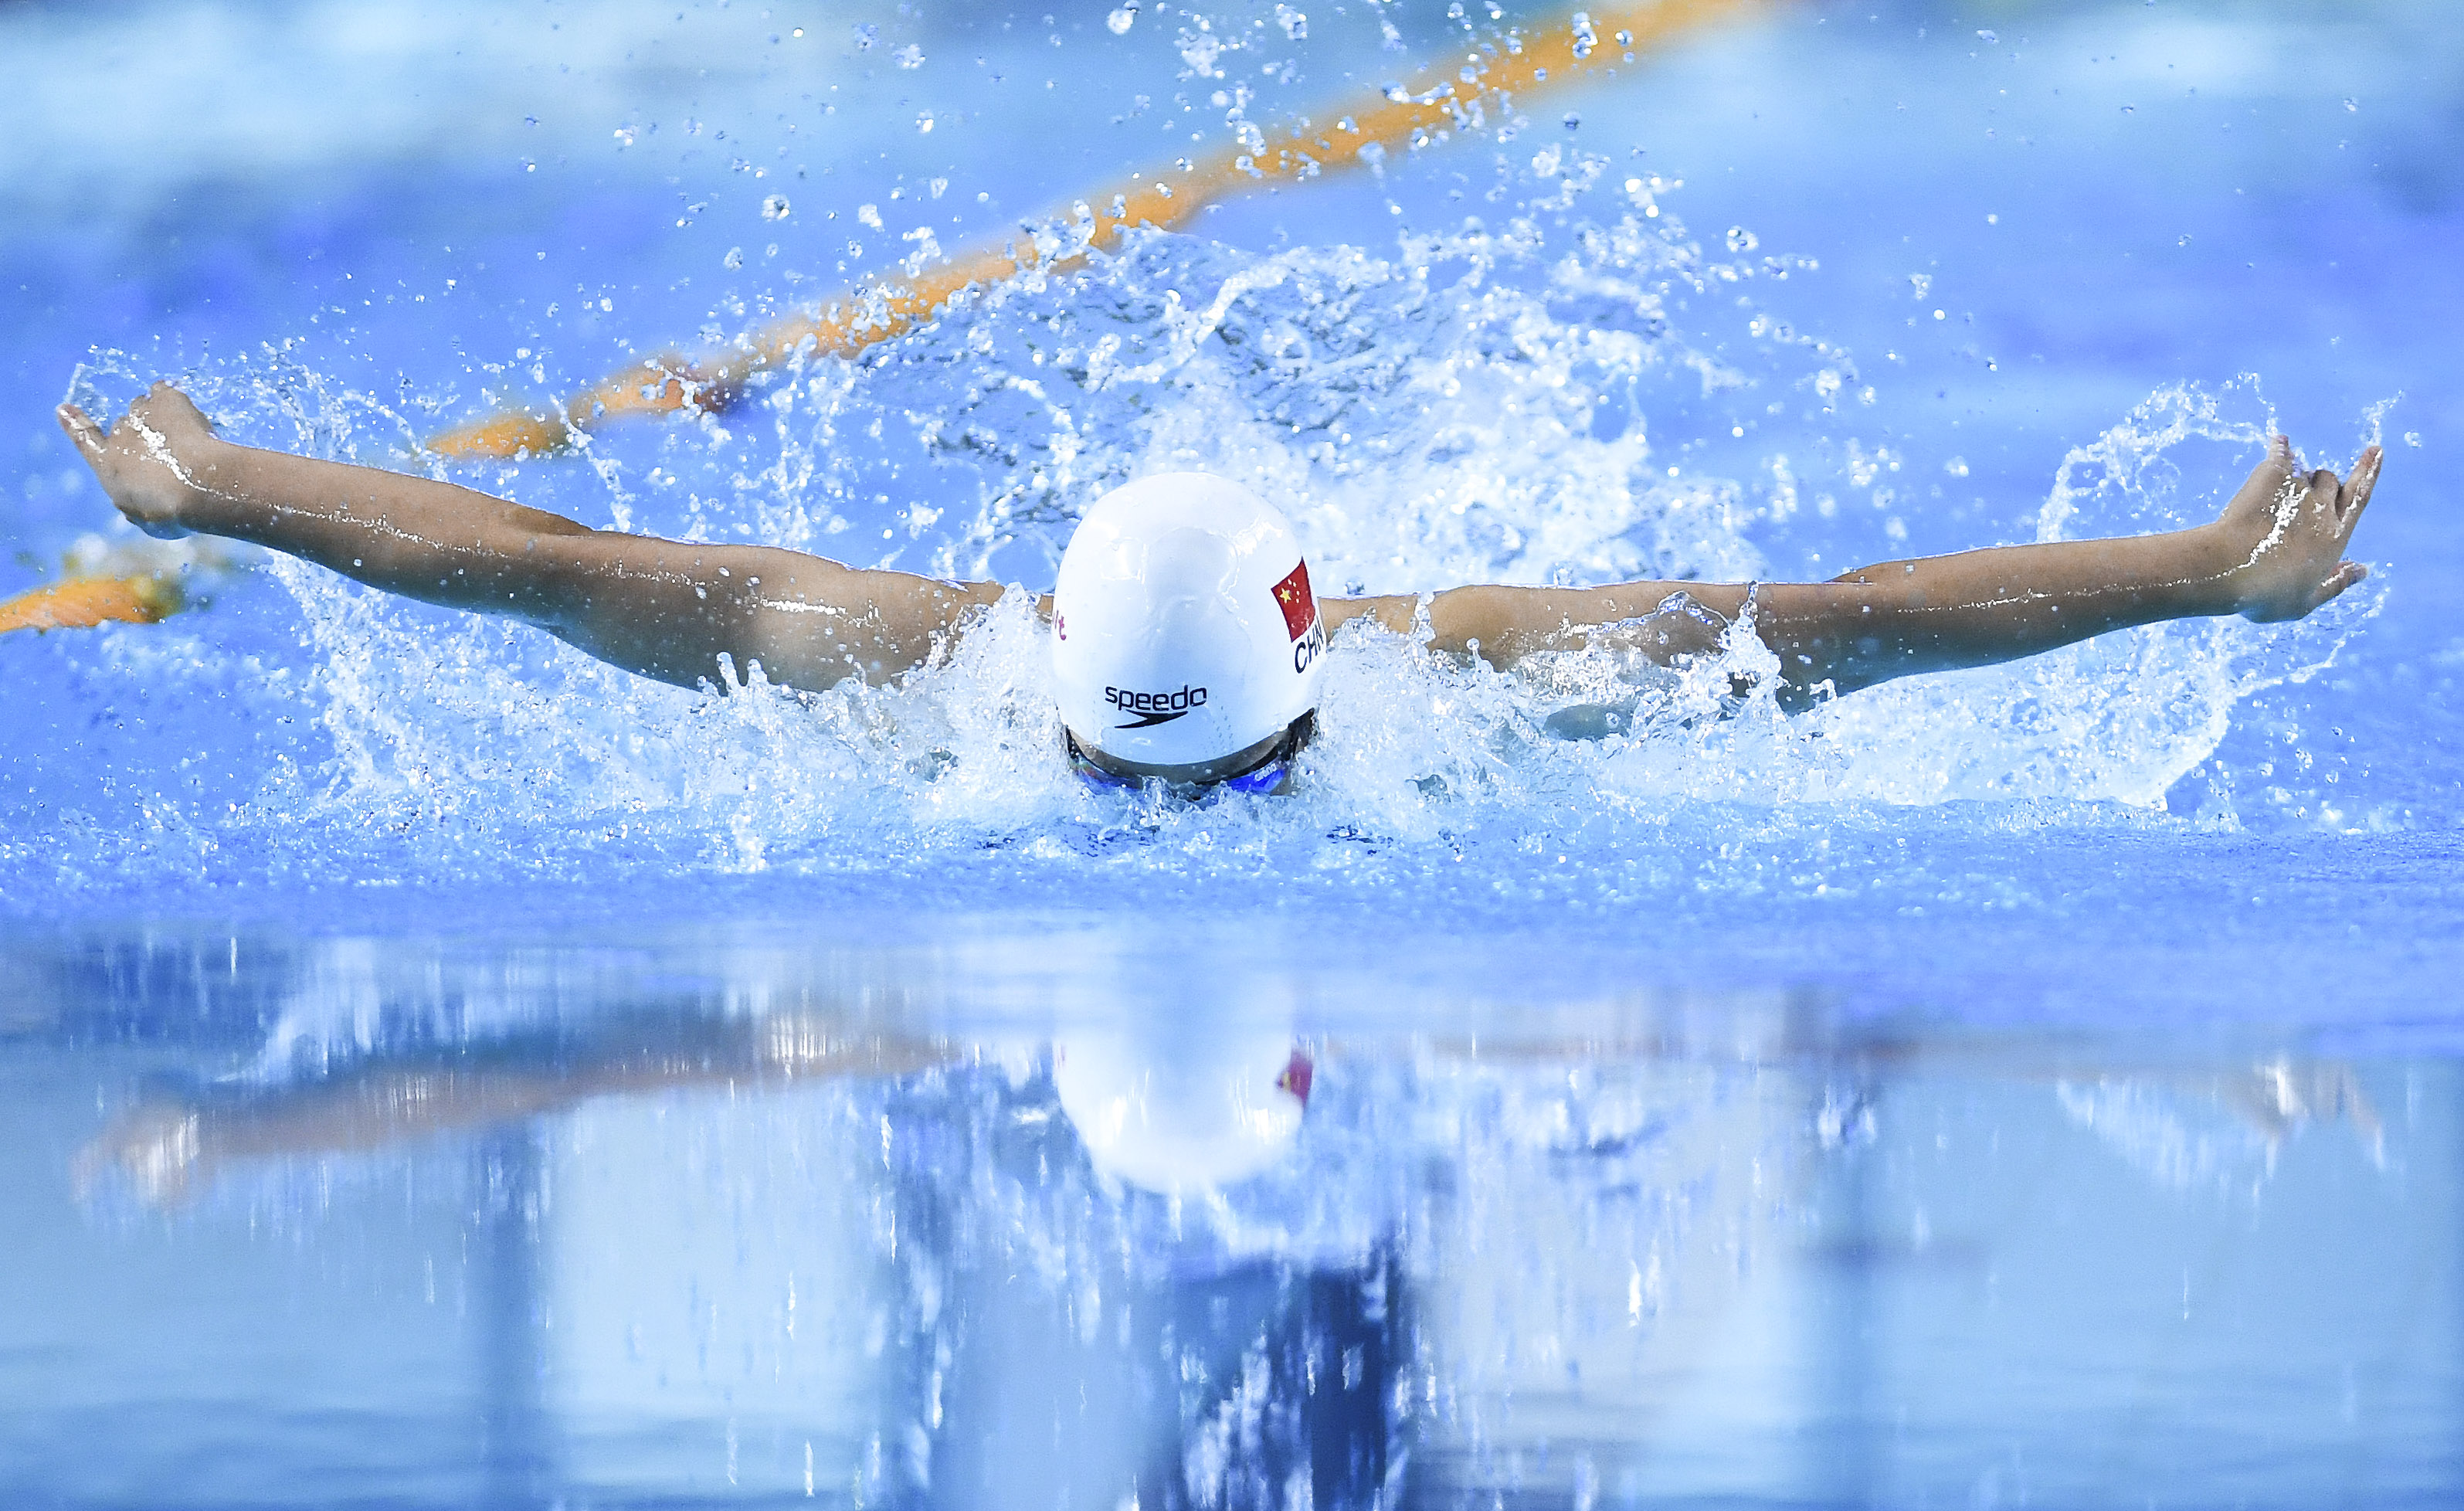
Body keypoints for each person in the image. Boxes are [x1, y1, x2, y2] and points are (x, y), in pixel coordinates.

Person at [58, 383, 2381, 794]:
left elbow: (1848, 609)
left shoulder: (1453, 675)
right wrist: (225, 492)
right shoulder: (943, 669)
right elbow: (564, 561)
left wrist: (2200, 574)